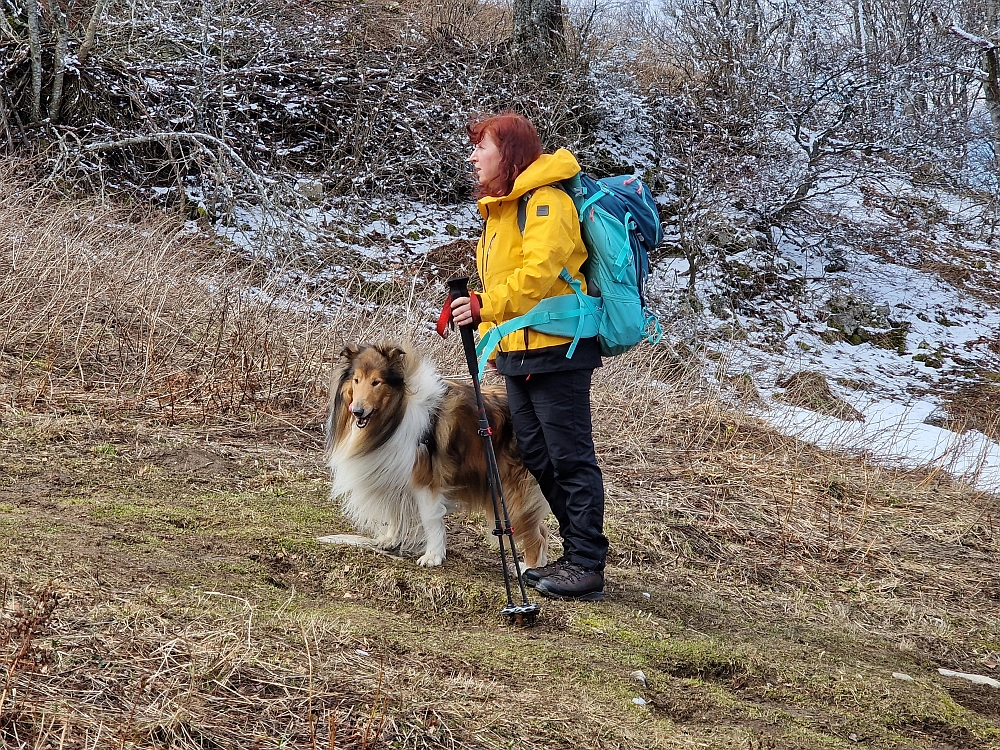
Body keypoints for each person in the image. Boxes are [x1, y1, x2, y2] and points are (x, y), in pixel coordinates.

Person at [449, 111, 608, 602]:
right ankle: (574, 556)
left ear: (509, 153)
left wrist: (484, 306)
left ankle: (587, 564)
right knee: (536, 455)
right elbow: (503, 283)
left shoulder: (547, 202)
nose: (473, 156)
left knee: (570, 457)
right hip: (518, 352)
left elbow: (537, 277)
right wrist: (486, 329)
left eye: (482, 147)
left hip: (559, 349)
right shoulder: (501, 210)